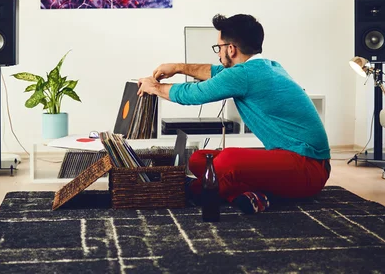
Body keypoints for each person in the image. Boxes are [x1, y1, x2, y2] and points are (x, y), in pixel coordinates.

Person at [137, 14, 330, 214]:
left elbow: (193, 94)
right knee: (199, 160)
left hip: (309, 168)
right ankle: (248, 196)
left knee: (226, 160)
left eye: (218, 47)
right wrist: (178, 68)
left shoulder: (244, 74)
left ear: (231, 48)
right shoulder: (267, 66)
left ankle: (190, 190)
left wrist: (155, 88)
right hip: (293, 161)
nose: (218, 53)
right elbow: (214, 71)